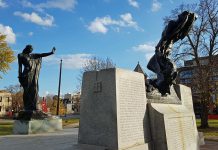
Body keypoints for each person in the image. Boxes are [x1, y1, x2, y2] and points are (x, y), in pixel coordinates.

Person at [147, 11, 197, 95]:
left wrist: (186, 22)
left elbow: (170, 36)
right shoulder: (174, 26)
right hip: (163, 49)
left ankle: (161, 87)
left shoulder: (176, 27)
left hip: (164, 49)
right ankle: (160, 86)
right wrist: (183, 22)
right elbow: (167, 36)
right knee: (162, 67)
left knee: (165, 70)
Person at [18, 45, 56, 111]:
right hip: (26, 75)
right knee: (27, 90)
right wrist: (20, 77)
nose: (31, 51)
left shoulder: (32, 55)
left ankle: (34, 105)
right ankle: (27, 106)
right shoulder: (20, 55)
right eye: (30, 49)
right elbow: (20, 67)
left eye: (32, 50)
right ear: (27, 48)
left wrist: (51, 52)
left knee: (35, 88)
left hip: (33, 74)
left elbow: (41, 55)